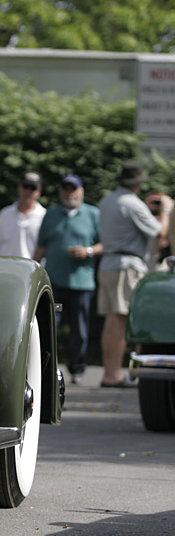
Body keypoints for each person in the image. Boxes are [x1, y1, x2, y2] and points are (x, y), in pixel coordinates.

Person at [97, 161, 173, 387]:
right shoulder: (133, 203)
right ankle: (113, 375)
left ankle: (109, 372)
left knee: (112, 317)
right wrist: (166, 210)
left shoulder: (108, 199)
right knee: (120, 318)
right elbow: (159, 232)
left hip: (109, 261)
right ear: (138, 183)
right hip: (127, 263)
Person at [33, 174, 101, 385]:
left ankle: (77, 369)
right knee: (50, 325)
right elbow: (40, 247)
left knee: (79, 329)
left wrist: (88, 251)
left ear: (81, 191)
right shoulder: (51, 214)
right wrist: (33, 271)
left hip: (82, 283)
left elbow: (105, 244)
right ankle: (45, 369)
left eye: (73, 189)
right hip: (54, 283)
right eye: (65, 188)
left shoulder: (93, 214)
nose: (69, 193)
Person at [0, 171, 46, 259]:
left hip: (33, 271)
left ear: (39, 192)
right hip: (6, 269)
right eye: (25, 187)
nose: (28, 192)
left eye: (32, 188)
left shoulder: (44, 216)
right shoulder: (5, 214)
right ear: (19, 187)